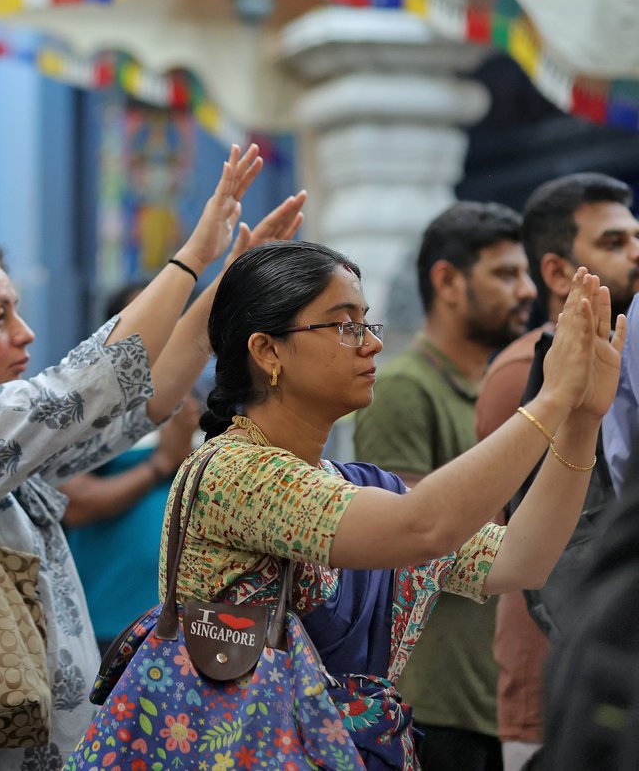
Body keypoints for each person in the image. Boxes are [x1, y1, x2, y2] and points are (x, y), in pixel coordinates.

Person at [0, 146, 309, 769]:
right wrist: (194, 255)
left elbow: (143, 403)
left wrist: (226, 281)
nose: (25, 333)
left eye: (16, 310)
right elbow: (80, 386)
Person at [139, 240, 620, 770]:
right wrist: (549, 400)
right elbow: (423, 527)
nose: (370, 345)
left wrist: (581, 420)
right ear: (268, 350)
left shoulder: (361, 488)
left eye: (367, 324)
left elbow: (522, 560)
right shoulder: (232, 474)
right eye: (345, 326)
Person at [353, 201, 536, 771]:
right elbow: (414, 535)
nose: (527, 290)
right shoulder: (407, 388)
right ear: (447, 281)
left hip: (492, 695)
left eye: (527, 272)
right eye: (506, 274)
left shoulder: (507, 387)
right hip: (434, 699)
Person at [476, 172, 639, 770]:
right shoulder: (523, 373)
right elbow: (515, 542)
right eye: (613, 243)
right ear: (555, 271)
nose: (636, 255)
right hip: (567, 675)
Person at [60, 286, 204, 657]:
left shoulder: (210, 409)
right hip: (112, 625)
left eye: (175, 325)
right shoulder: (94, 414)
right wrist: (160, 465)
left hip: (196, 628)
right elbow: (73, 503)